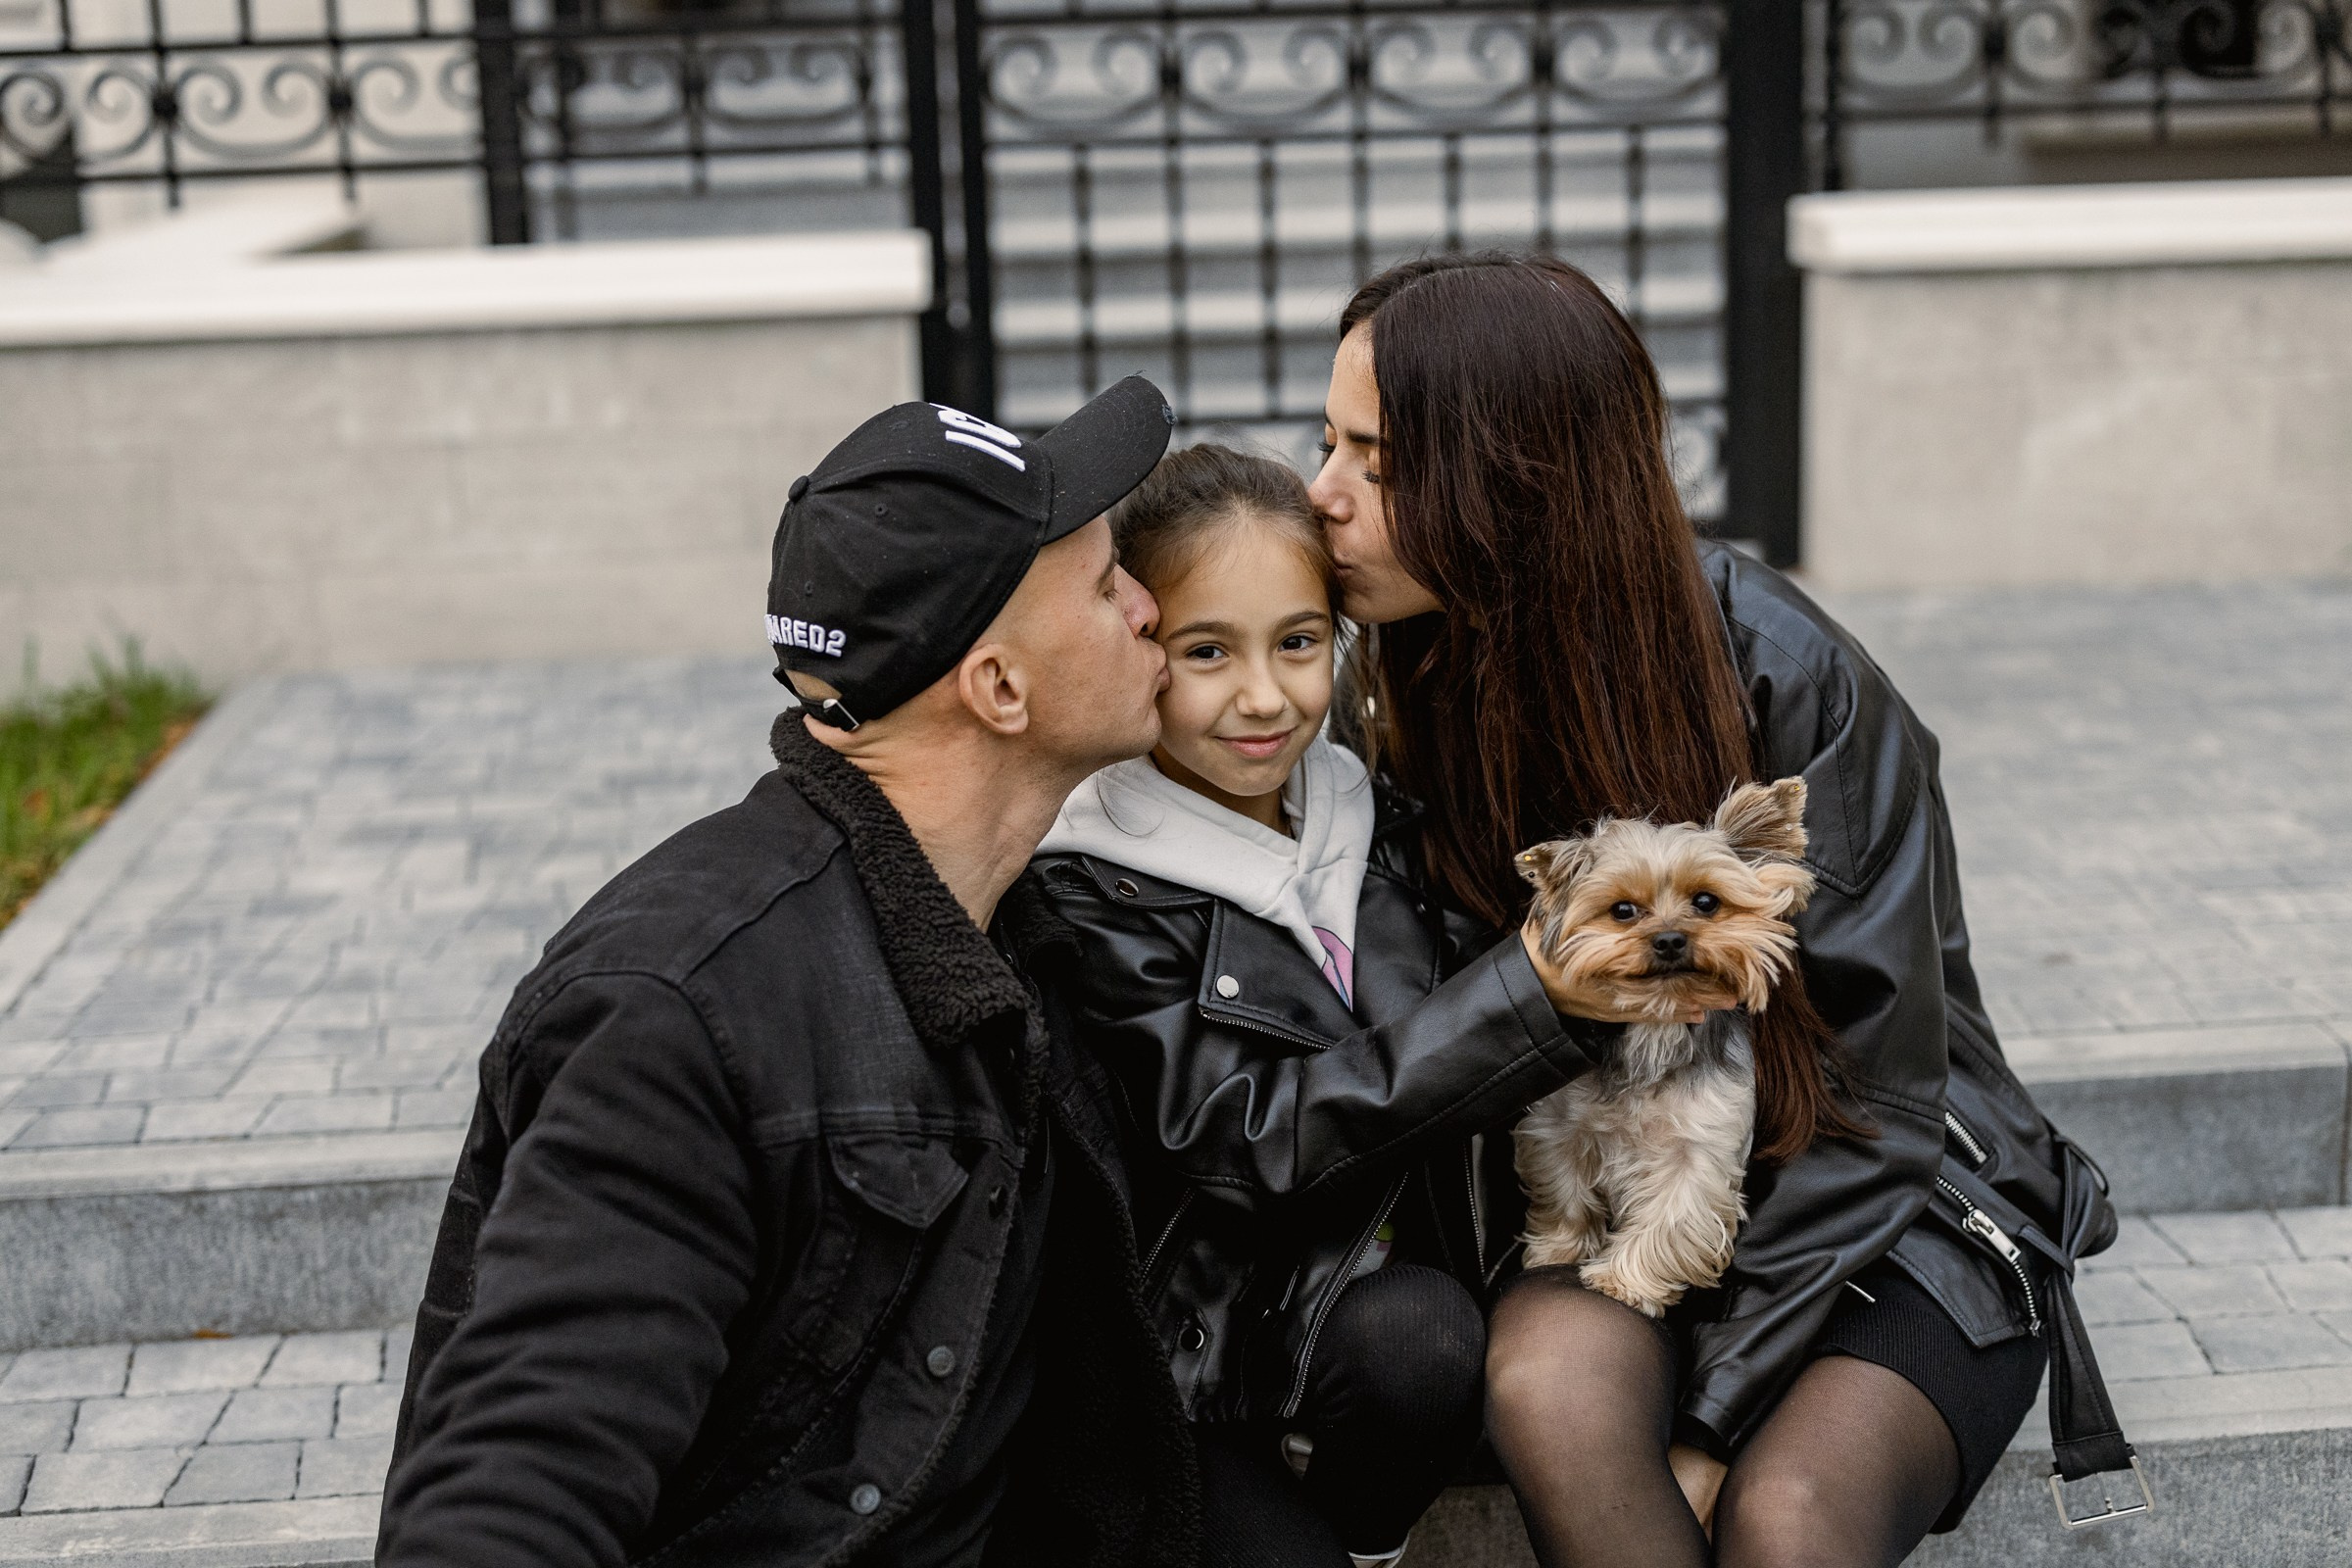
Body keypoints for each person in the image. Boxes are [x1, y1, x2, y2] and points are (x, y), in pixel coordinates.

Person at [1307, 253, 2122, 1568]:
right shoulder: (1389, 688)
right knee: (1550, 1392)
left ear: (1510, 482)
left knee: (1788, 1521)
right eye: (1327, 442)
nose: (1322, 497)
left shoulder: (1790, 678)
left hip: (1870, 1201)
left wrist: (1711, 1417)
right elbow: (1409, 1035)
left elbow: (1888, 1090)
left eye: (1378, 464)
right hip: (1606, 1190)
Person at [377, 379, 1202, 1568]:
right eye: (1104, 580)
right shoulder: (679, 1013)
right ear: (1000, 689)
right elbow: (515, 1487)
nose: (1147, 608)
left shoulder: (1022, 927)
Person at [1028, 445, 1627, 1568]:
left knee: (1422, 1339)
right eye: (1207, 651)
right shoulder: (1090, 874)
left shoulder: (1367, 809)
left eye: (1299, 642)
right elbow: (1242, 1133)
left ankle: (1365, 1532)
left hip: (1385, 1317)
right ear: (1135, 639)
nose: (1265, 696)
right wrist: (1527, 998)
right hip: (1202, 1349)